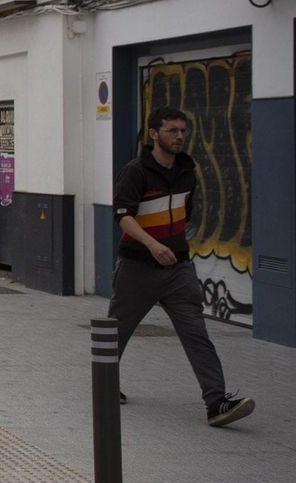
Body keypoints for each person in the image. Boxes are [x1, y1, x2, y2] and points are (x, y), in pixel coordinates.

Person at [109, 106, 254, 427]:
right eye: (172, 130)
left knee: (197, 335)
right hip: (137, 268)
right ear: (154, 134)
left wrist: (172, 246)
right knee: (115, 333)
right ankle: (104, 386)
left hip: (178, 268)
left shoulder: (188, 170)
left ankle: (217, 403)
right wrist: (153, 244)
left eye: (183, 131)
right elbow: (123, 215)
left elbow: (185, 213)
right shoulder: (136, 171)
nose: (179, 136)